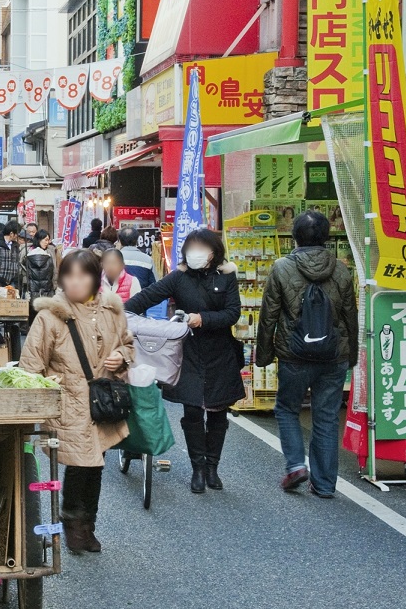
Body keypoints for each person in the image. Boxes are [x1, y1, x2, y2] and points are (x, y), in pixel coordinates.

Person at [20, 251, 135, 554]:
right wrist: (48, 388)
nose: (75, 282)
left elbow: (128, 344)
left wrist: (121, 356)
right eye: (69, 275)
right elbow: (30, 366)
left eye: (83, 275)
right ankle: (74, 525)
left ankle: (87, 524)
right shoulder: (50, 317)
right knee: (79, 464)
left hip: (101, 402)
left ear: (96, 278)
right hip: (69, 403)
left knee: (95, 464)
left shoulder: (112, 311)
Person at [125, 229, 245, 494]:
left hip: (220, 353)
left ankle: (213, 467)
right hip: (188, 352)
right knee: (192, 411)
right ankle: (198, 469)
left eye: (201, 247)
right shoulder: (178, 277)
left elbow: (232, 313)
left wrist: (203, 318)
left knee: (218, 411)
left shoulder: (227, 277)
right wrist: (132, 321)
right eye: (191, 247)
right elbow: (139, 301)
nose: (195, 252)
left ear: (214, 252)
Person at [257, 210, 358, 498]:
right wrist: (350, 355)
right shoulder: (341, 270)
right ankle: (325, 485)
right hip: (333, 356)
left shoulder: (281, 268)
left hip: (294, 354)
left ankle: (295, 466)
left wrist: (262, 356)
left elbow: (269, 317)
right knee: (326, 417)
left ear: (295, 236)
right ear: (326, 237)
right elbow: (350, 315)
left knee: (287, 409)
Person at [24, 230, 56, 298]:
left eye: (48, 240)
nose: (47, 243)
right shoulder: (26, 251)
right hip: (46, 290)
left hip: (33, 290)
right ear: (39, 239)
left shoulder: (51, 252)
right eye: (45, 240)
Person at [0, 221, 25, 289]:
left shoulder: (16, 245)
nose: (18, 236)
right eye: (17, 233)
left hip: (13, 282)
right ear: (11, 234)